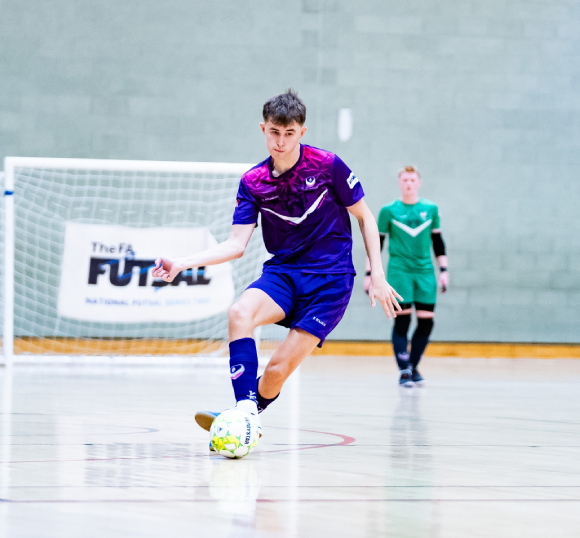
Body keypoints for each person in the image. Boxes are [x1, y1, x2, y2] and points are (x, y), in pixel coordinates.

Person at [153, 90, 402, 444]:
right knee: (240, 312)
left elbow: (365, 216)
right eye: (273, 132)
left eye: (288, 133)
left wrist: (377, 272)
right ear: (263, 129)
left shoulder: (328, 165)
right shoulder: (253, 182)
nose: (280, 141)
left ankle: (249, 413)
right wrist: (182, 263)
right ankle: (243, 413)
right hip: (284, 272)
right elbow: (236, 245)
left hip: (330, 282)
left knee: (276, 371)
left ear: (302, 131)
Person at [364, 166, 448, 387]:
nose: (409, 183)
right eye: (405, 180)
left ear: (418, 183)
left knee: (426, 322)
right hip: (399, 271)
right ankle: (404, 370)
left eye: (412, 180)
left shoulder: (430, 209)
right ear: (400, 183)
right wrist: (369, 275)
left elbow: (438, 242)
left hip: (425, 272)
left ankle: (412, 366)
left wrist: (444, 271)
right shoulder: (389, 211)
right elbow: (377, 245)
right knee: (403, 320)